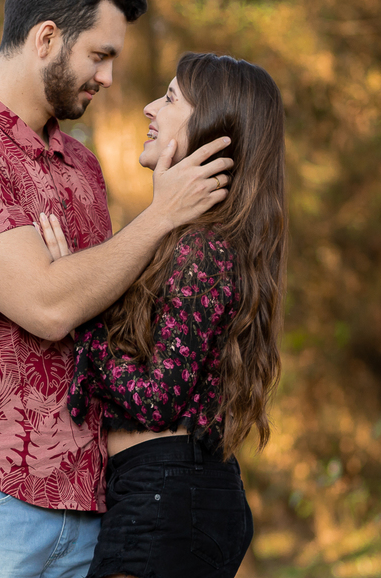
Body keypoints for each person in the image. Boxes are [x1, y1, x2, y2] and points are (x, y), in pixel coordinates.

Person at [0, 0, 235, 578]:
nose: (108, 78)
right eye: (99, 55)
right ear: (47, 38)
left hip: (91, 500)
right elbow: (50, 306)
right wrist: (161, 215)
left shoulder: (82, 167)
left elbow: (101, 315)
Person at [40, 52, 287, 578]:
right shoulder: (192, 243)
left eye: (171, 98)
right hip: (167, 492)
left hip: (167, 498)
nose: (151, 107)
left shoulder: (202, 250)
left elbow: (156, 399)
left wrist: (78, 315)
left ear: (211, 128)